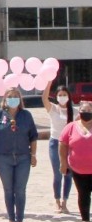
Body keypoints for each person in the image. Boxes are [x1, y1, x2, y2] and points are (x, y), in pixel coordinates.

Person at [0, 89, 38, 222]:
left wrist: (33, 154)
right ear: (5, 99)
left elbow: (33, 136)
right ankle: (11, 221)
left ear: (20, 99)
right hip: (3, 157)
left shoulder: (26, 115)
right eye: (10, 97)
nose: (13, 99)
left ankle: (19, 221)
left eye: (16, 97)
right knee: (8, 190)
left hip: (23, 157)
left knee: (20, 190)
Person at [43, 79, 75, 213]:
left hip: (69, 144)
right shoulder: (53, 109)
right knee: (57, 173)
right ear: (56, 96)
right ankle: (57, 200)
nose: (62, 97)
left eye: (64, 95)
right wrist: (49, 81)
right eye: (60, 95)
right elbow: (44, 98)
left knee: (68, 174)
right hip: (55, 142)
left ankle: (65, 201)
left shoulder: (74, 111)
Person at [60, 101, 92, 222]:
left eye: (89, 112)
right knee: (83, 194)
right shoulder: (71, 127)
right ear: (79, 113)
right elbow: (62, 144)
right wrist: (63, 162)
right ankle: (85, 220)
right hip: (78, 169)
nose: (86, 114)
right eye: (84, 112)